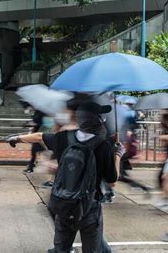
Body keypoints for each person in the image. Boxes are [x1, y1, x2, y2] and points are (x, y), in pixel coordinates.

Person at [8, 102, 117, 252]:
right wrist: (117, 154)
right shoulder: (103, 146)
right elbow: (112, 182)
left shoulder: (63, 138)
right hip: (89, 207)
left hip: (63, 203)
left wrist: (17, 138)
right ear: (96, 120)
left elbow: (40, 136)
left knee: (62, 249)